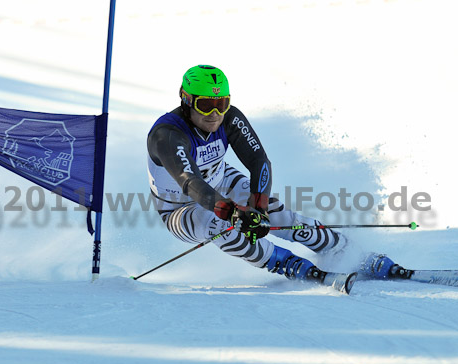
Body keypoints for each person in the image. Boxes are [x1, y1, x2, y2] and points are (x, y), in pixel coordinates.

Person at [146, 64, 391, 281]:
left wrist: (259, 208)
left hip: (221, 180)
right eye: (206, 105)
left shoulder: (230, 118)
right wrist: (232, 213)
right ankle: (285, 262)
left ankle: (343, 250)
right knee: (219, 226)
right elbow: (190, 182)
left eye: (221, 104)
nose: (215, 114)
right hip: (180, 207)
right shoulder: (167, 135)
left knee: (275, 213)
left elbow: (259, 161)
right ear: (186, 100)